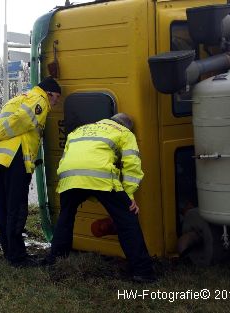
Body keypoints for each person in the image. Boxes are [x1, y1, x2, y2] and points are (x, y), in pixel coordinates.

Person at [43, 113, 156, 283]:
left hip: (69, 177)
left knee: (65, 219)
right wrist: (129, 195)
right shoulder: (125, 133)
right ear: (125, 126)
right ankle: (143, 272)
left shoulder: (80, 130)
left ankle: (56, 260)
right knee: (127, 220)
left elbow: (69, 156)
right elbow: (132, 165)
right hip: (100, 177)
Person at [0, 77, 61, 267]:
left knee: (3, 207)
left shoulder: (18, 97)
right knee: (16, 208)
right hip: (14, 160)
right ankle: (18, 258)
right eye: (56, 98)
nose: (55, 102)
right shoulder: (39, 99)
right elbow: (20, 120)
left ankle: (9, 252)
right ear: (49, 93)